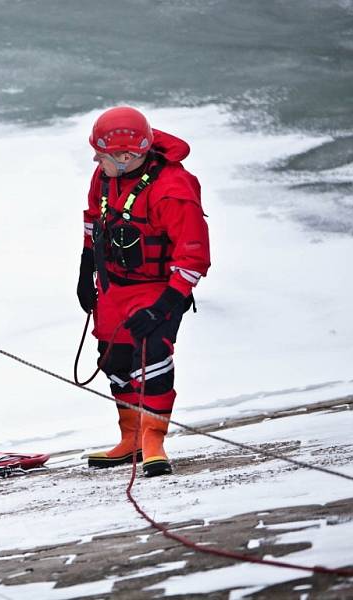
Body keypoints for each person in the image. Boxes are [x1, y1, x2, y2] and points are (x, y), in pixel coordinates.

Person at [78, 106, 210, 477]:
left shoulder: (173, 189)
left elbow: (194, 254)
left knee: (151, 353)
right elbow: (93, 221)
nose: (95, 159)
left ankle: (154, 441)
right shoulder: (103, 176)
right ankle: (131, 436)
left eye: (101, 154)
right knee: (113, 357)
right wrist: (85, 270)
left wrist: (167, 305)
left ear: (126, 156)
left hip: (159, 287)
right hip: (115, 286)